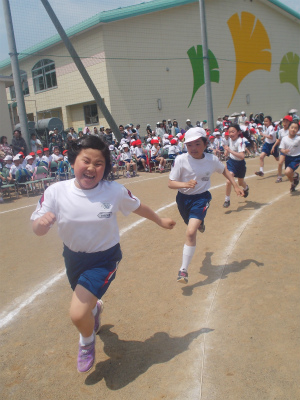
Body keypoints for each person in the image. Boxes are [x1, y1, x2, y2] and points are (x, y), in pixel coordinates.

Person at [30, 135, 175, 373]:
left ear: (105, 167)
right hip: (73, 258)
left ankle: (86, 343)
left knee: (77, 314)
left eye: (99, 164)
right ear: (73, 161)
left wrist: (160, 220)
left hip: (104, 259)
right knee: (86, 305)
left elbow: (138, 207)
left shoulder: (113, 191)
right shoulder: (56, 191)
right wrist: (42, 224)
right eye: (86, 161)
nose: (91, 168)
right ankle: (96, 309)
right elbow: (37, 228)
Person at [168, 127, 244, 283]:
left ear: (205, 143)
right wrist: (185, 184)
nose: (193, 148)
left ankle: (183, 270)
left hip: (201, 198)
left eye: (197, 144)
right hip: (183, 199)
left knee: (190, 232)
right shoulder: (181, 160)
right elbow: (171, 183)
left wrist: (235, 185)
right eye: (189, 145)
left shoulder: (211, 160)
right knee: (191, 225)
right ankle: (200, 222)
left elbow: (224, 171)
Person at [223, 124, 249, 208]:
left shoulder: (240, 141)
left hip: (240, 164)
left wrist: (230, 151)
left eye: (233, 132)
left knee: (241, 182)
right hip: (231, 163)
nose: (230, 134)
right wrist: (226, 152)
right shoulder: (229, 140)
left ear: (238, 132)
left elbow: (242, 156)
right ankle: (227, 200)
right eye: (229, 132)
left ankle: (246, 188)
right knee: (228, 181)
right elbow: (227, 151)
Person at [279, 121, 300, 192]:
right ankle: (293, 184)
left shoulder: (298, 138)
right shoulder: (284, 139)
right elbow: (281, 148)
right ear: (289, 128)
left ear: (298, 130)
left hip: (296, 158)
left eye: (296, 128)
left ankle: (296, 175)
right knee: (288, 175)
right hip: (288, 157)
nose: (293, 129)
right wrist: (284, 151)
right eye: (292, 127)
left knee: (287, 172)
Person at [274, 115, 293, 183]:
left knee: (288, 166)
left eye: (286, 122)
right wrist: (274, 146)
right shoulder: (281, 131)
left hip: (290, 150)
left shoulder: (291, 130)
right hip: (283, 149)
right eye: (283, 122)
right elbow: (279, 140)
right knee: (280, 163)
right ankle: (279, 177)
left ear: (290, 123)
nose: (284, 123)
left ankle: (293, 176)